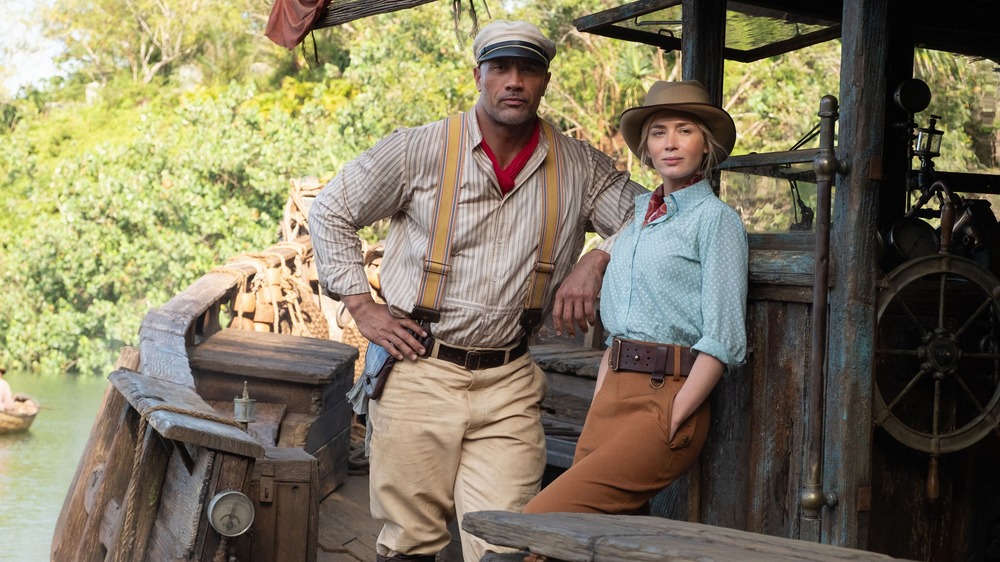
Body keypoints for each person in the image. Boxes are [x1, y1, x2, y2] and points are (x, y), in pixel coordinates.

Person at [308, 20, 646, 562]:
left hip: (509, 379)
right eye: (501, 68)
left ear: (545, 81)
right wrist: (361, 306)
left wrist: (598, 257)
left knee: (508, 543)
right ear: (478, 76)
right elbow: (330, 210)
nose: (514, 81)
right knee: (411, 541)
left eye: (528, 70)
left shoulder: (579, 165)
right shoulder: (419, 149)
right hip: (419, 368)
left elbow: (653, 214)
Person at [521, 80, 748, 522]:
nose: (671, 143)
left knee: (545, 520)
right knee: (606, 539)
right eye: (659, 132)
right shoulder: (637, 217)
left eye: (685, 130)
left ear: (706, 144)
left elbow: (723, 337)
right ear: (646, 148)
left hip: (668, 397)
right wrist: (606, 385)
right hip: (612, 393)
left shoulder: (716, 221)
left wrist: (676, 413)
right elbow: (619, 325)